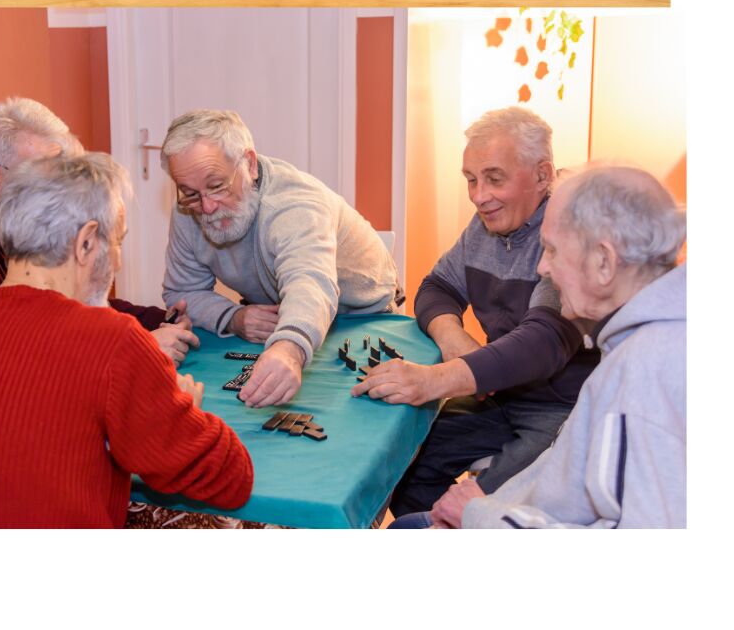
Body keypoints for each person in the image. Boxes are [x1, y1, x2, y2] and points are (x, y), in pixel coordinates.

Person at [0, 152, 253, 528]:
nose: (117, 262)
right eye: (117, 242)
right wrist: (187, 411)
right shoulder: (112, 341)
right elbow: (230, 478)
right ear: (86, 242)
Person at [406, 165, 686, 528]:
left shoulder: (646, 375)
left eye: (552, 250)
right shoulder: (636, 342)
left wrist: (477, 514)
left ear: (604, 262)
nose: (542, 267)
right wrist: (485, 509)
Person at [353, 106, 599, 517]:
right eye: (471, 179)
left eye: (494, 178)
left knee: (480, 510)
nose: (479, 196)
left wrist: (436, 380)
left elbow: (543, 342)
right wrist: (455, 340)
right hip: (499, 394)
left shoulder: (569, 231)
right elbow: (436, 287)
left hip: (563, 409)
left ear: (542, 175)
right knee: (404, 467)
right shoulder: (484, 224)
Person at [0, 96, 197, 364]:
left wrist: (155, 320)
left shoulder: (32, 223)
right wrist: (142, 347)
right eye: (42, 173)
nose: (62, 185)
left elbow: (74, 307)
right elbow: (19, 352)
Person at [161, 109, 402, 408]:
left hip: (363, 318)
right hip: (283, 317)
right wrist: (234, 318)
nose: (207, 207)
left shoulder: (294, 204)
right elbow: (183, 291)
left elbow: (310, 284)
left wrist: (288, 349)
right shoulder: (187, 209)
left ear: (249, 164)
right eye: (190, 193)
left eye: (217, 186)